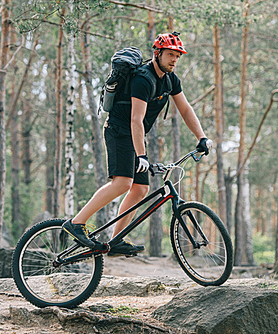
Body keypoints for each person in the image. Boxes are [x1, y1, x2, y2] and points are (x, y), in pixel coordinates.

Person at [63, 32, 213, 257]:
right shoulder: (143, 78)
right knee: (123, 183)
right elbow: (136, 119)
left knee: (140, 189)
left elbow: (185, 109)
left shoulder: (171, 79)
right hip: (118, 131)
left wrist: (201, 137)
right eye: (170, 54)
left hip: (134, 135)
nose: (174, 59)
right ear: (158, 53)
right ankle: (76, 223)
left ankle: (116, 240)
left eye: (177, 56)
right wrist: (142, 155)